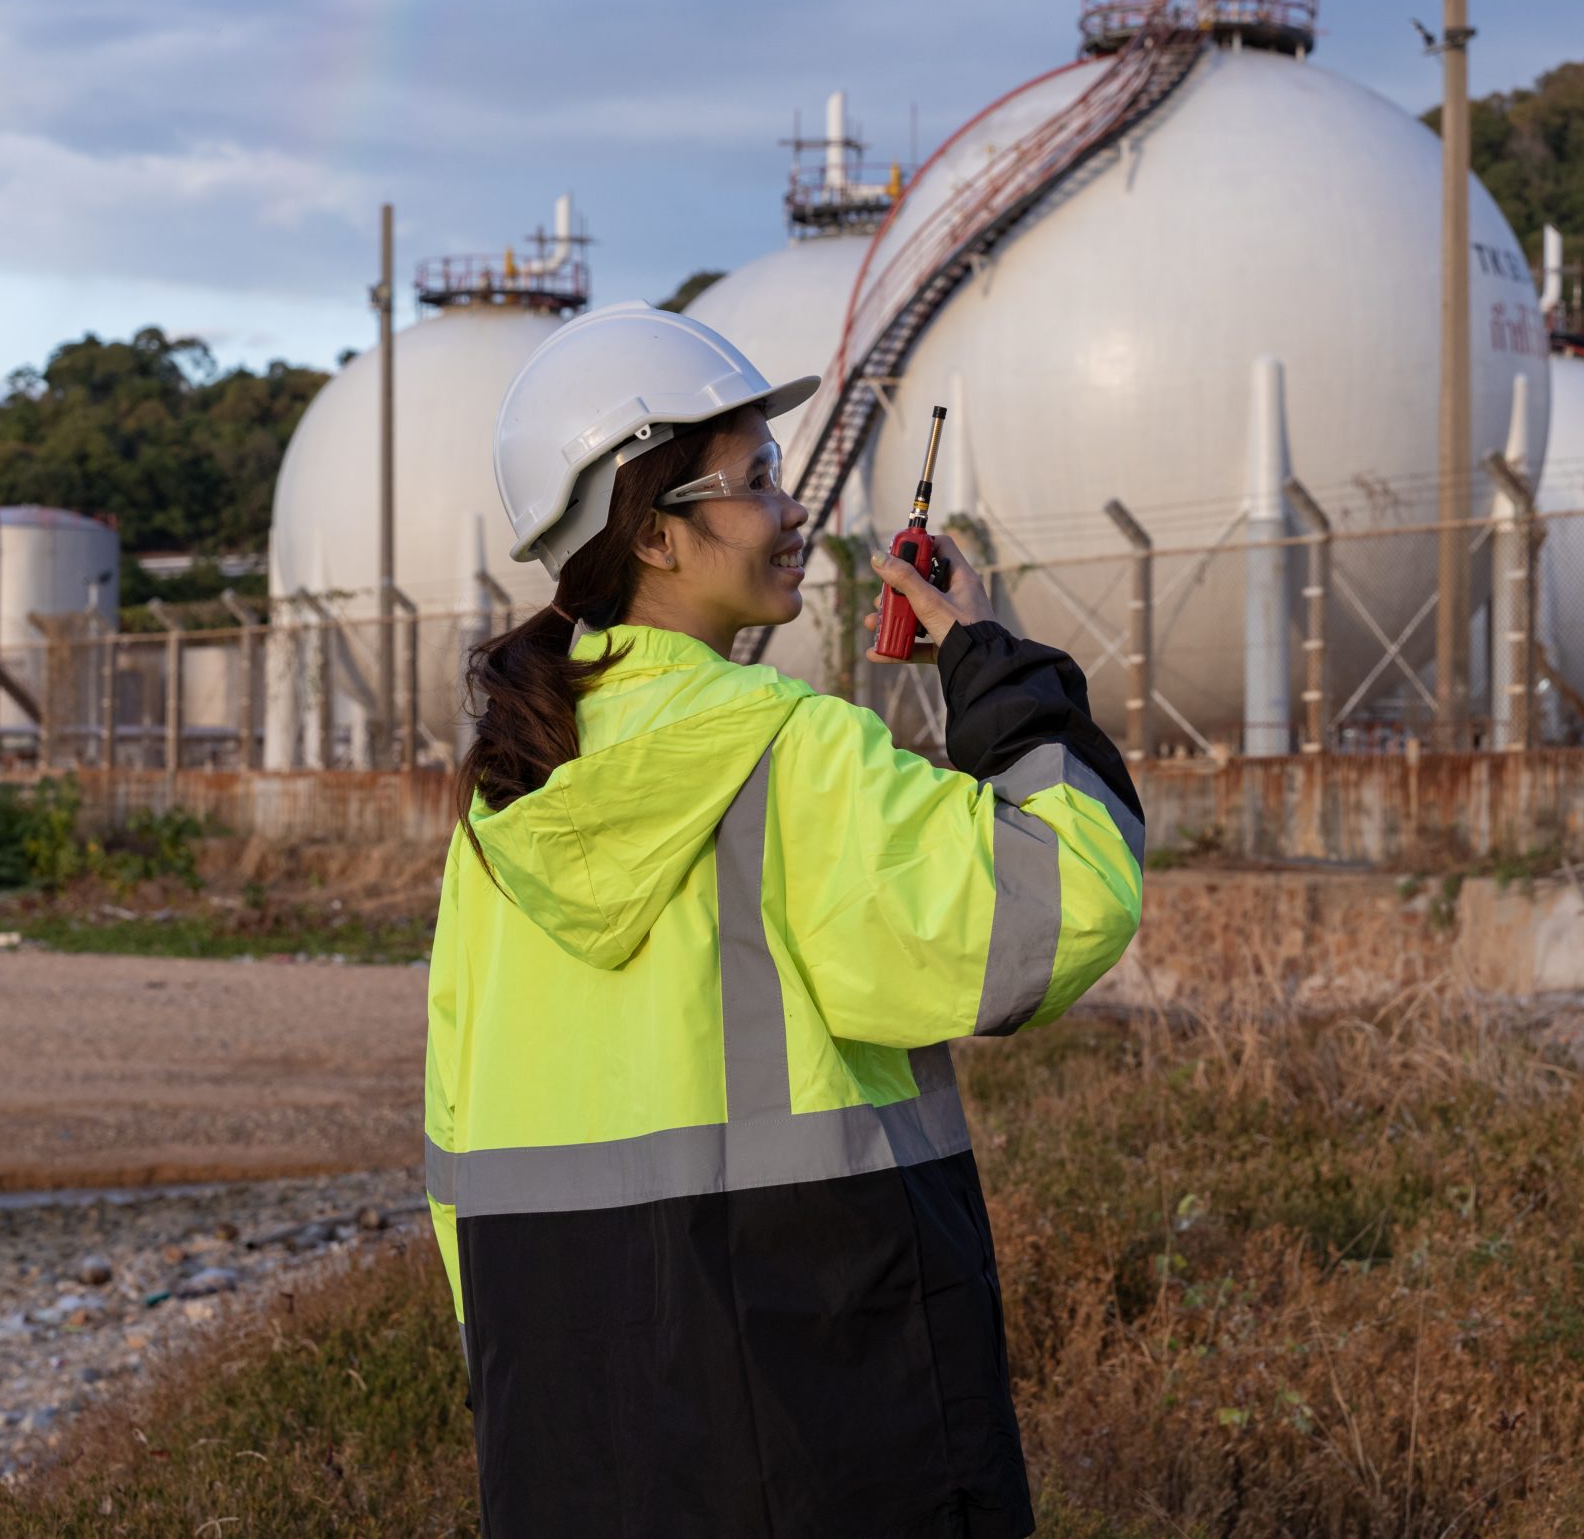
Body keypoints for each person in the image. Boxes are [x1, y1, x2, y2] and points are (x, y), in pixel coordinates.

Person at [425, 303, 1145, 1537]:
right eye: (756, 478)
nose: (792, 505)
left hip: (568, 1431)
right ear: (654, 531)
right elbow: (1058, 903)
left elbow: (457, 1155)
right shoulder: (789, 752)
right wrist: (988, 660)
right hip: (828, 1421)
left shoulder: (508, 797)